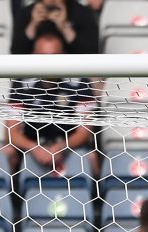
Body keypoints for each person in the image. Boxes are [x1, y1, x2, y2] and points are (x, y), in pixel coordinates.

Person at [6, 24, 98, 176]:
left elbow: (85, 131)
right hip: (32, 146)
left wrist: (61, 147)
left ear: (63, 55)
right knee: (7, 152)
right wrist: (35, 148)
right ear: (34, 55)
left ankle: (95, 198)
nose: (48, 63)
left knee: (91, 156)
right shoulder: (21, 83)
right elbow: (11, 132)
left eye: (54, 56)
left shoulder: (80, 82)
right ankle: (14, 198)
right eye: (43, 57)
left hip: (69, 146)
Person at [11, 0, 98, 55]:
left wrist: (64, 28)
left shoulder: (81, 12)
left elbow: (90, 53)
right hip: (36, 76)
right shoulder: (27, 13)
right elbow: (17, 52)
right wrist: (33, 25)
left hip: (72, 75)